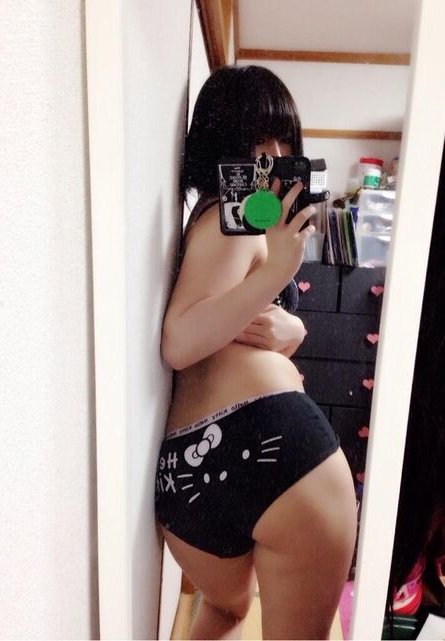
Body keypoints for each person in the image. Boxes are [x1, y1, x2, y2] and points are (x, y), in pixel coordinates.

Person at [155, 65, 357, 640]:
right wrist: (277, 273)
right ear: (220, 146)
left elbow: (230, 323)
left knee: (226, 611)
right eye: (257, 143)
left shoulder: (215, 220)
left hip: (190, 473)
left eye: (284, 142)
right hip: (280, 456)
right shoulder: (235, 219)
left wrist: (291, 327)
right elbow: (179, 341)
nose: (274, 157)